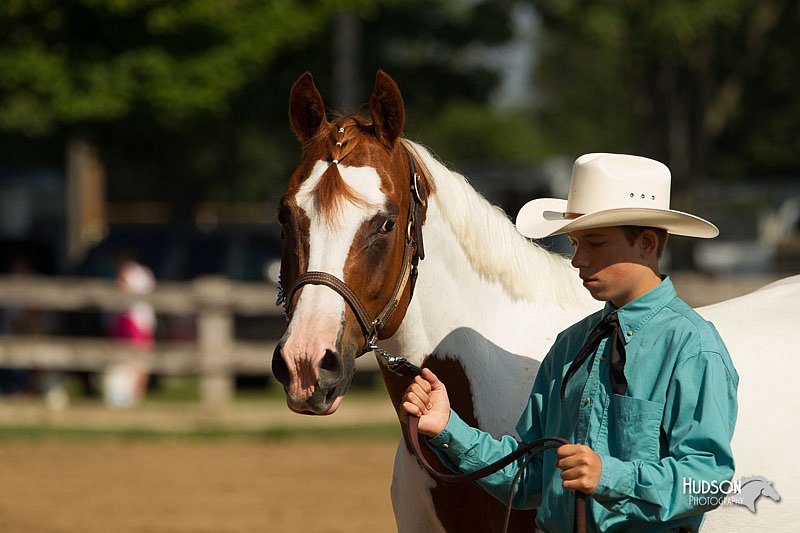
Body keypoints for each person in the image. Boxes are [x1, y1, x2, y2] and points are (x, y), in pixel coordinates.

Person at [401, 153, 738, 532]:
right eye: (576, 243)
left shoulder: (691, 347)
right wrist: (448, 428)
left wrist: (608, 476)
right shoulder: (569, 345)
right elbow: (529, 479)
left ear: (646, 243)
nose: (577, 259)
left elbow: (709, 481)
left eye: (594, 243)